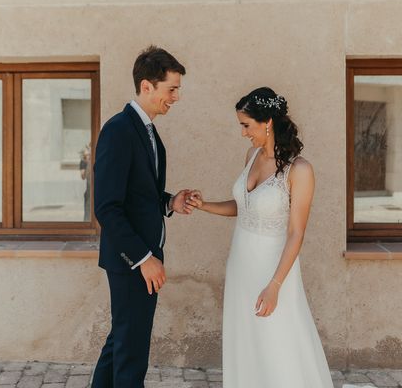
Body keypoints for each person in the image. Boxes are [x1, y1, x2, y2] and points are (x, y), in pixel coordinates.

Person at [186, 87, 334, 388]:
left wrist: (275, 285)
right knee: (247, 339)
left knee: (277, 341)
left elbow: (296, 233)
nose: (243, 133)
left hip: (275, 269)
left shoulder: (300, 170)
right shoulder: (250, 156)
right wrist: (204, 206)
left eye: (246, 125)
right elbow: (244, 208)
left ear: (267, 122)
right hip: (241, 263)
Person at [91, 46, 193, 388]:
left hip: (142, 257)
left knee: (121, 343)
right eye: (171, 89)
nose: (176, 97)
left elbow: (138, 195)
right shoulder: (119, 131)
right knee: (132, 355)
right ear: (147, 86)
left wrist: (170, 203)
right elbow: (107, 207)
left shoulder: (147, 131)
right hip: (131, 261)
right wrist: (144, 258)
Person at [79, 143, 91, 222]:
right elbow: (83, 176)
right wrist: (88, 163)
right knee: (87, 216)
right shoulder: (84, 161)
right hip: (89, 191)